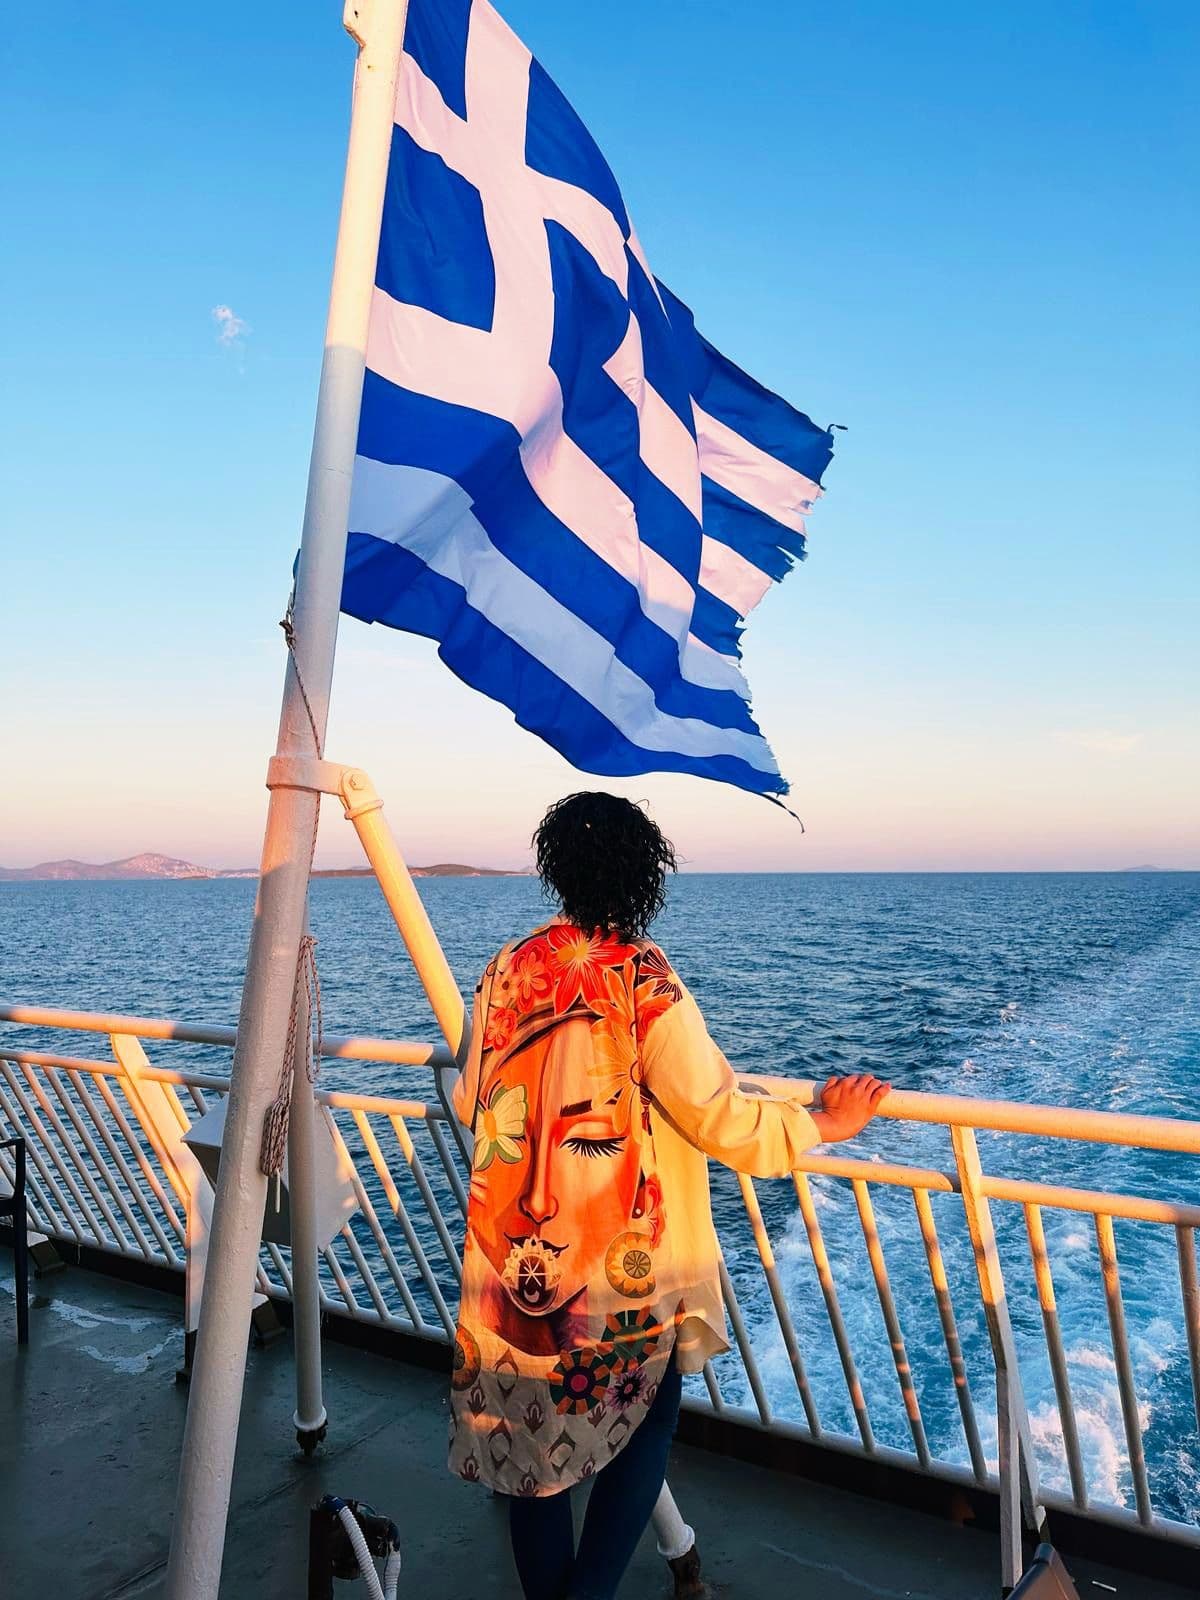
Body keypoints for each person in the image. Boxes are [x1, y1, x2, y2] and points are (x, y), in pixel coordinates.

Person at [449, 792, 890, 1600]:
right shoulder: (640, 977)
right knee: (646, 1423)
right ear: (645, 872)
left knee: (528, 1453)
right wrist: (823, 1122)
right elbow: (716, 1113)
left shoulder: (508, 966)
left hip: (513, 1250)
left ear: (557, 868)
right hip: (619, 1263)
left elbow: (472, 1096)